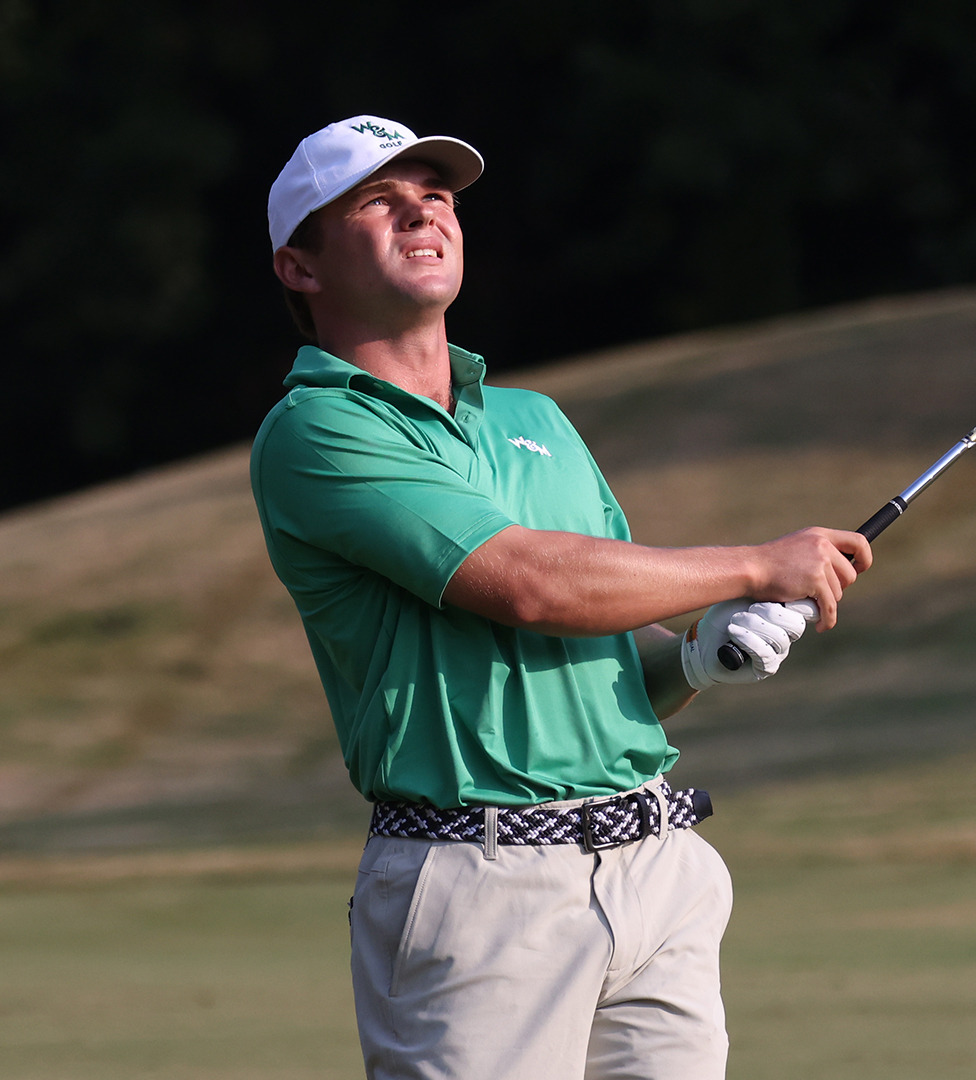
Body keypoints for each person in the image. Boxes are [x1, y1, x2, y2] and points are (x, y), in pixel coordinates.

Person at [249, 115, 870, 1080]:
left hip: (656, 861)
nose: (423, 212)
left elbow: (619, 650)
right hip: (480, 884)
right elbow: (533, 585)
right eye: (378, 200)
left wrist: (702, 651)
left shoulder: (534, 420)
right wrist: (754, 567)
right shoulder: (316, 431)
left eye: (438, 196)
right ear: (301, 267)